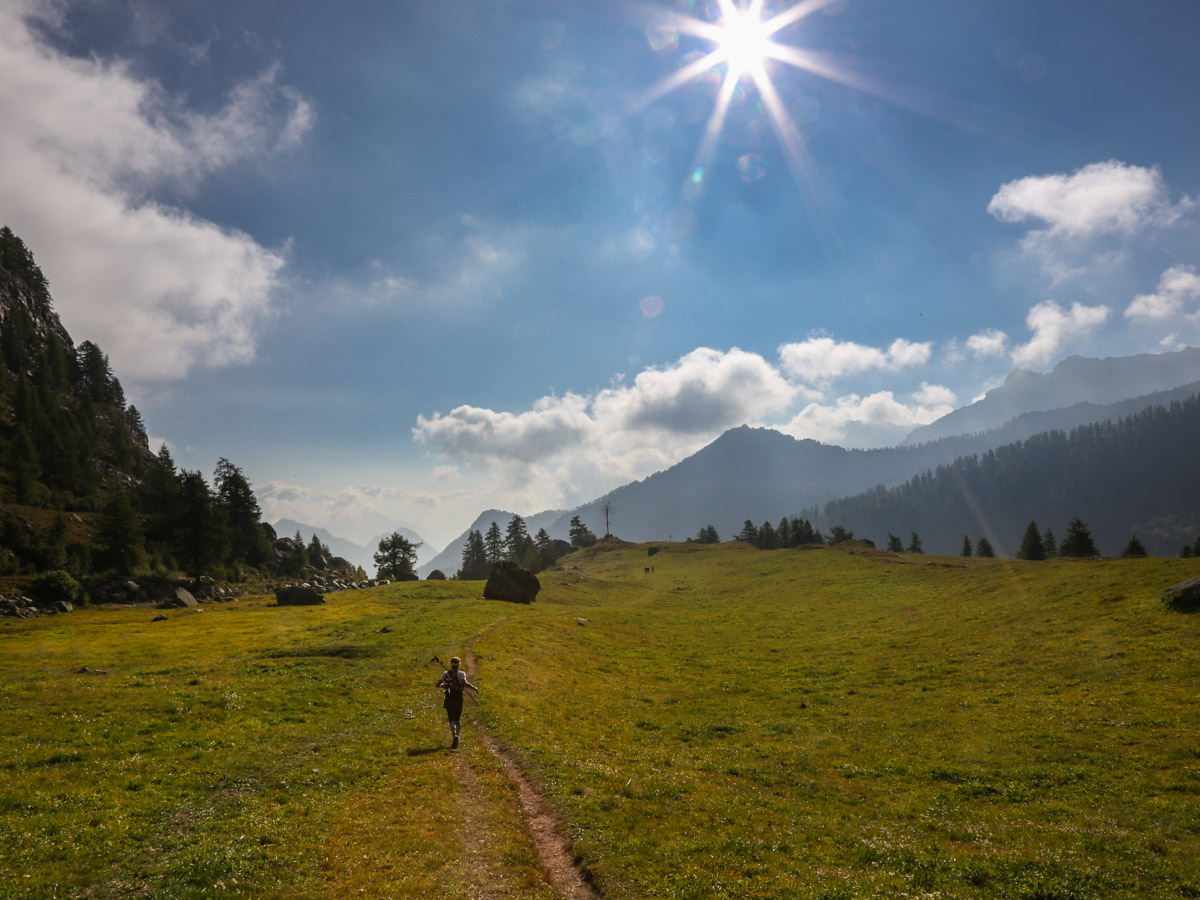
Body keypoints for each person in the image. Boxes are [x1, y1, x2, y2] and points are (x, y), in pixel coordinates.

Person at [436, 656, 478, 749]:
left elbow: (438, 685)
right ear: (459, 665)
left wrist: (444, 685)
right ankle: (457, 736)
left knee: (451, 719)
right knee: (457, 718)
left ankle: (454, 734)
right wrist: (474, 688)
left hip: (449, 697)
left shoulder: (446, 673)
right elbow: (465, 683)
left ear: (451, 664)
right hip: (458, 697)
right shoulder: (461, 674)